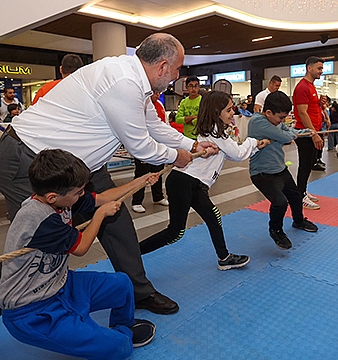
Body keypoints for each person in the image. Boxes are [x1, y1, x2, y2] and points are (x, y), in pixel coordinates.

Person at [0, 33, 219, 360]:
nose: (178, 77)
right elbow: (140, 146)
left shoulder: (139, 85)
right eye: (176, 70)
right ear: (162, 66)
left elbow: (153, 128)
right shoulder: (123, 82)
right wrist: (177, 156)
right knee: (31, 251)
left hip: (79, 165)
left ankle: (136, 292)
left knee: (116, 221)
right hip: (32, 161)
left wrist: (190, 146)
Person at [0, 149, 158, 360]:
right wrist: (100, 215)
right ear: (54, 196)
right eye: (79, 191)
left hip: (61, 285)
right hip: (32, 310)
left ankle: (120, 327)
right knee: (121, 348)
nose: (83, 194)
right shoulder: (38, 217)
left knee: (122, 283)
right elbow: (81, 248)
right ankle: (115, 337)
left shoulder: (60, 199)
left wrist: (141, 180)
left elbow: (102, 197)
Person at [139, 91, 268, 269]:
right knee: (175, 232)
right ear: (216, 112)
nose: (233, 113)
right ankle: (133, 254)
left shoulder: (216, 132)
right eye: (229, 110)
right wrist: (252, 142)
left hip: (193, 184)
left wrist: (254, 147)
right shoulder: (215, 132)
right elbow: (238, 154)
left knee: (213, 217)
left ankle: (224, 258)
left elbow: (228, 154)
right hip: (183, 182)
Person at [248, 91, 319, 249]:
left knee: (295, 196)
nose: (282, 120)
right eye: (280, 117)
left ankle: (298, 221)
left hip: (279, 169)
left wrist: (307, 132)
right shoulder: (258, 122)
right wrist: (293, 134)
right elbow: (285, 136)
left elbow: (286, 131)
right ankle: (276, 230)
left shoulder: (274, 121)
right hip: (262, 173)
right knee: (280, 202)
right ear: (268, 112)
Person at [292, 56, 325, 210]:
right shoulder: (302, 87)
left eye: (322, 69)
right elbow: (302, 113)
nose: (321, 71)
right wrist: (314, 134)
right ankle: (300, 195)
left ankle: (302, 190)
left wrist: (320, 105)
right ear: (309, 68)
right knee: (305, 165)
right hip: (305, 133)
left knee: (310, 163)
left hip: (313, 130)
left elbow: (310, 108)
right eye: (319, 68)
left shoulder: (311, 86)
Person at [132, 92, 170, 213]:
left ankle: (158, 197)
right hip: (144, 147)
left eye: (159, 93)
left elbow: (165, 124)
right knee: (141, 174)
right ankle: (137, 201)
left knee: (158, 172)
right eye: (155, 93)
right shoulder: (139, 106)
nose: (157, 95)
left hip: (158, 146)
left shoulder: (159, 105)